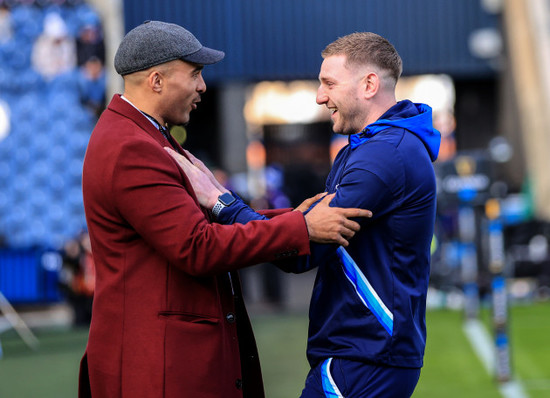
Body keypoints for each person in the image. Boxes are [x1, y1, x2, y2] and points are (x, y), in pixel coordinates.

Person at [79, 21, 371, 398]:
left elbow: (201, 225)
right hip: (158, 369)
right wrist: (302, 229)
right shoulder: (131, 147)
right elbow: (197, 247)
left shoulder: (148, 135)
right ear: (156, 81)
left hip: (169, 363)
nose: (202, 86)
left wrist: (292, 218)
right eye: (195, 74)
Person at [167, 32, 441, 397]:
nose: (319, 96)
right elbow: (305, 225)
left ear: (370, 84)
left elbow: (301, 250)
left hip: (366, 356)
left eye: (329, 83)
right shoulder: (376, 146)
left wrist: (220, 202)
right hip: (366, 352)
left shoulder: (384, 155)